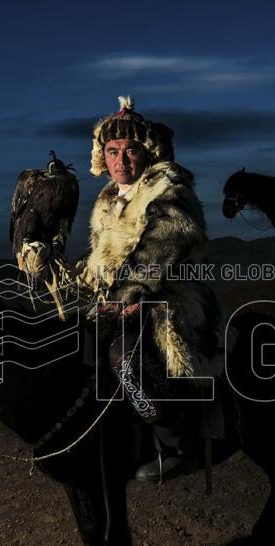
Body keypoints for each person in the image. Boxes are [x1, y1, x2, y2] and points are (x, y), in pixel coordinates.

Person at [78, 96, 224, 483]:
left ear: (147, 153)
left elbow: (163, 244)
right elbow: (104, 255)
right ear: (102, 156)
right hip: (120, 294)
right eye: (112, 151)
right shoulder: (109, 197)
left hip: (170, 292)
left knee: (124, 358)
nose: (121, 160)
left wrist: (125, 294)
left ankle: (178, 445)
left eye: (130, 151)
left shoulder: (168, 186)